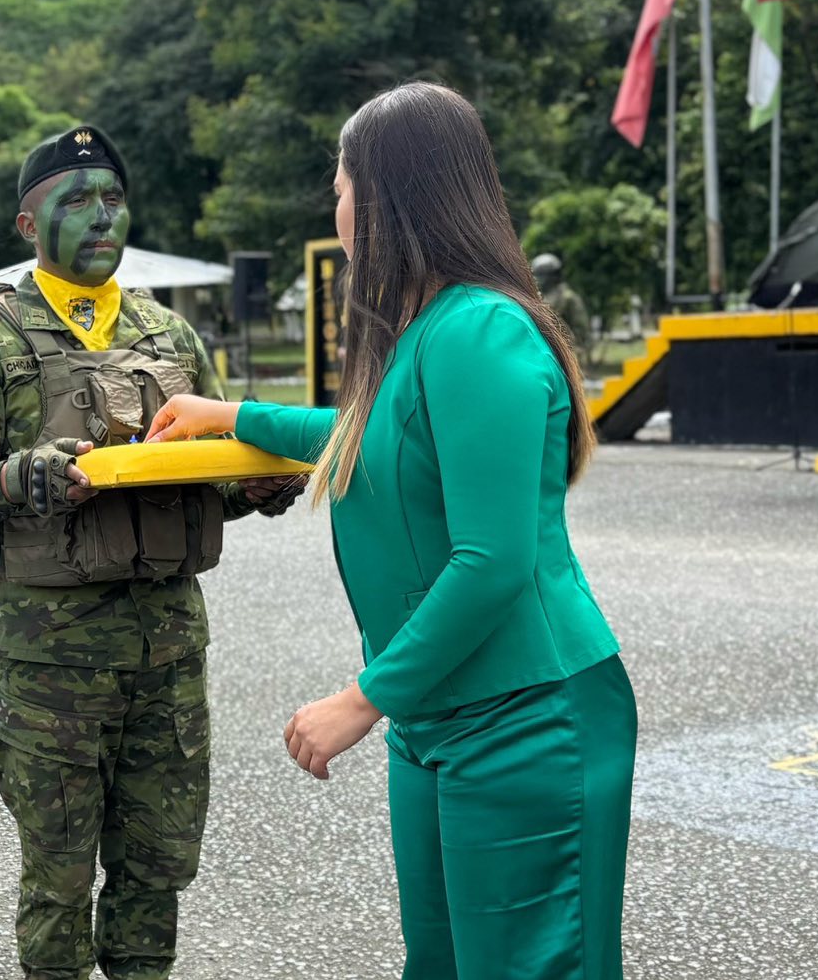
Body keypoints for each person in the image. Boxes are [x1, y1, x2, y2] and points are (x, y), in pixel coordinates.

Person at [147, 82, 635, 980]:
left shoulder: (479, 329)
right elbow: (373, 439)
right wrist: (231, 415)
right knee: (441, 964)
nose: (335, 209)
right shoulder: (426, 329)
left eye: (340, 187)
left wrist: (363, 697)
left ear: (386, 196)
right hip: (439, 710)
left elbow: (492, 561)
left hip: (525, 715)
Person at [0, 127, 300, 980]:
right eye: (76, 200)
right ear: (27, 223)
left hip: (167, 661)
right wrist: (28, 478)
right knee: (58, 885)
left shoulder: (171, 336)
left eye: (113, 199)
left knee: (157, 873)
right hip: (51, 674)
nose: (101, 217)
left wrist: (259, 487)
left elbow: (206, 480)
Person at [532, 253, 592, 357]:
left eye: (541, 275)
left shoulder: (567, 298)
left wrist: (577, 351)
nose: (537, 279)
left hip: (567, 353)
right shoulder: (538, 297)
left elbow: (581, 328)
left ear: (553, 276)